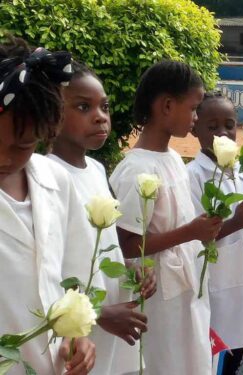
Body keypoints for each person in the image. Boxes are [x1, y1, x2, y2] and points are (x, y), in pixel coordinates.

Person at [110, 61, 223, 374]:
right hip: (158, 296)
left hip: (185, 287)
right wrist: (190, 232)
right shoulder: (135, 170)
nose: (196, 117)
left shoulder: (173, 158)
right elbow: (127, 244)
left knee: (191, 359)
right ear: (167, 105)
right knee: (166, 363)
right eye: (194, 108)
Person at [48, 61, 157, 374]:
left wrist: (132, 270)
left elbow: (107, 242)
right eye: (84, 106)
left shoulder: (96, 170)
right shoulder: (47, 177)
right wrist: (100, 314)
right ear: (52, 112)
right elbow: (45, 268)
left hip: (113, 321)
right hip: (75, 332)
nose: (100, 116)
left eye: (104, 106)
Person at [0, 36, 96, 374]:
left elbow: (70, 277)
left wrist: (76, 333)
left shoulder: (56, 179)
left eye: (23, 145)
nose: (4, 157)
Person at [188, 91, 243, 373]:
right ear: (194, 128)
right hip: (216, 285)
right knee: (217, 354)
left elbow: (241, 222)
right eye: (212, 127)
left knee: (237, 351)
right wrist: (238, 223)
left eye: (229, 125)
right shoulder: (194, 175)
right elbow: (195, 236)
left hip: (241, 279)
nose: (223, 133)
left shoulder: (239, 171)